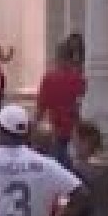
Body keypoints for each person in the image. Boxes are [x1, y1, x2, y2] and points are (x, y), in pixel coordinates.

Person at [36, 34, 86, 164]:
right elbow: (79, 105)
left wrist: (32, 130)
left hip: (55, 131)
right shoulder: (79, 80)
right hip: (74, 131)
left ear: (58, 57)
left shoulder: (48, 79)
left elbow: (40, 109)